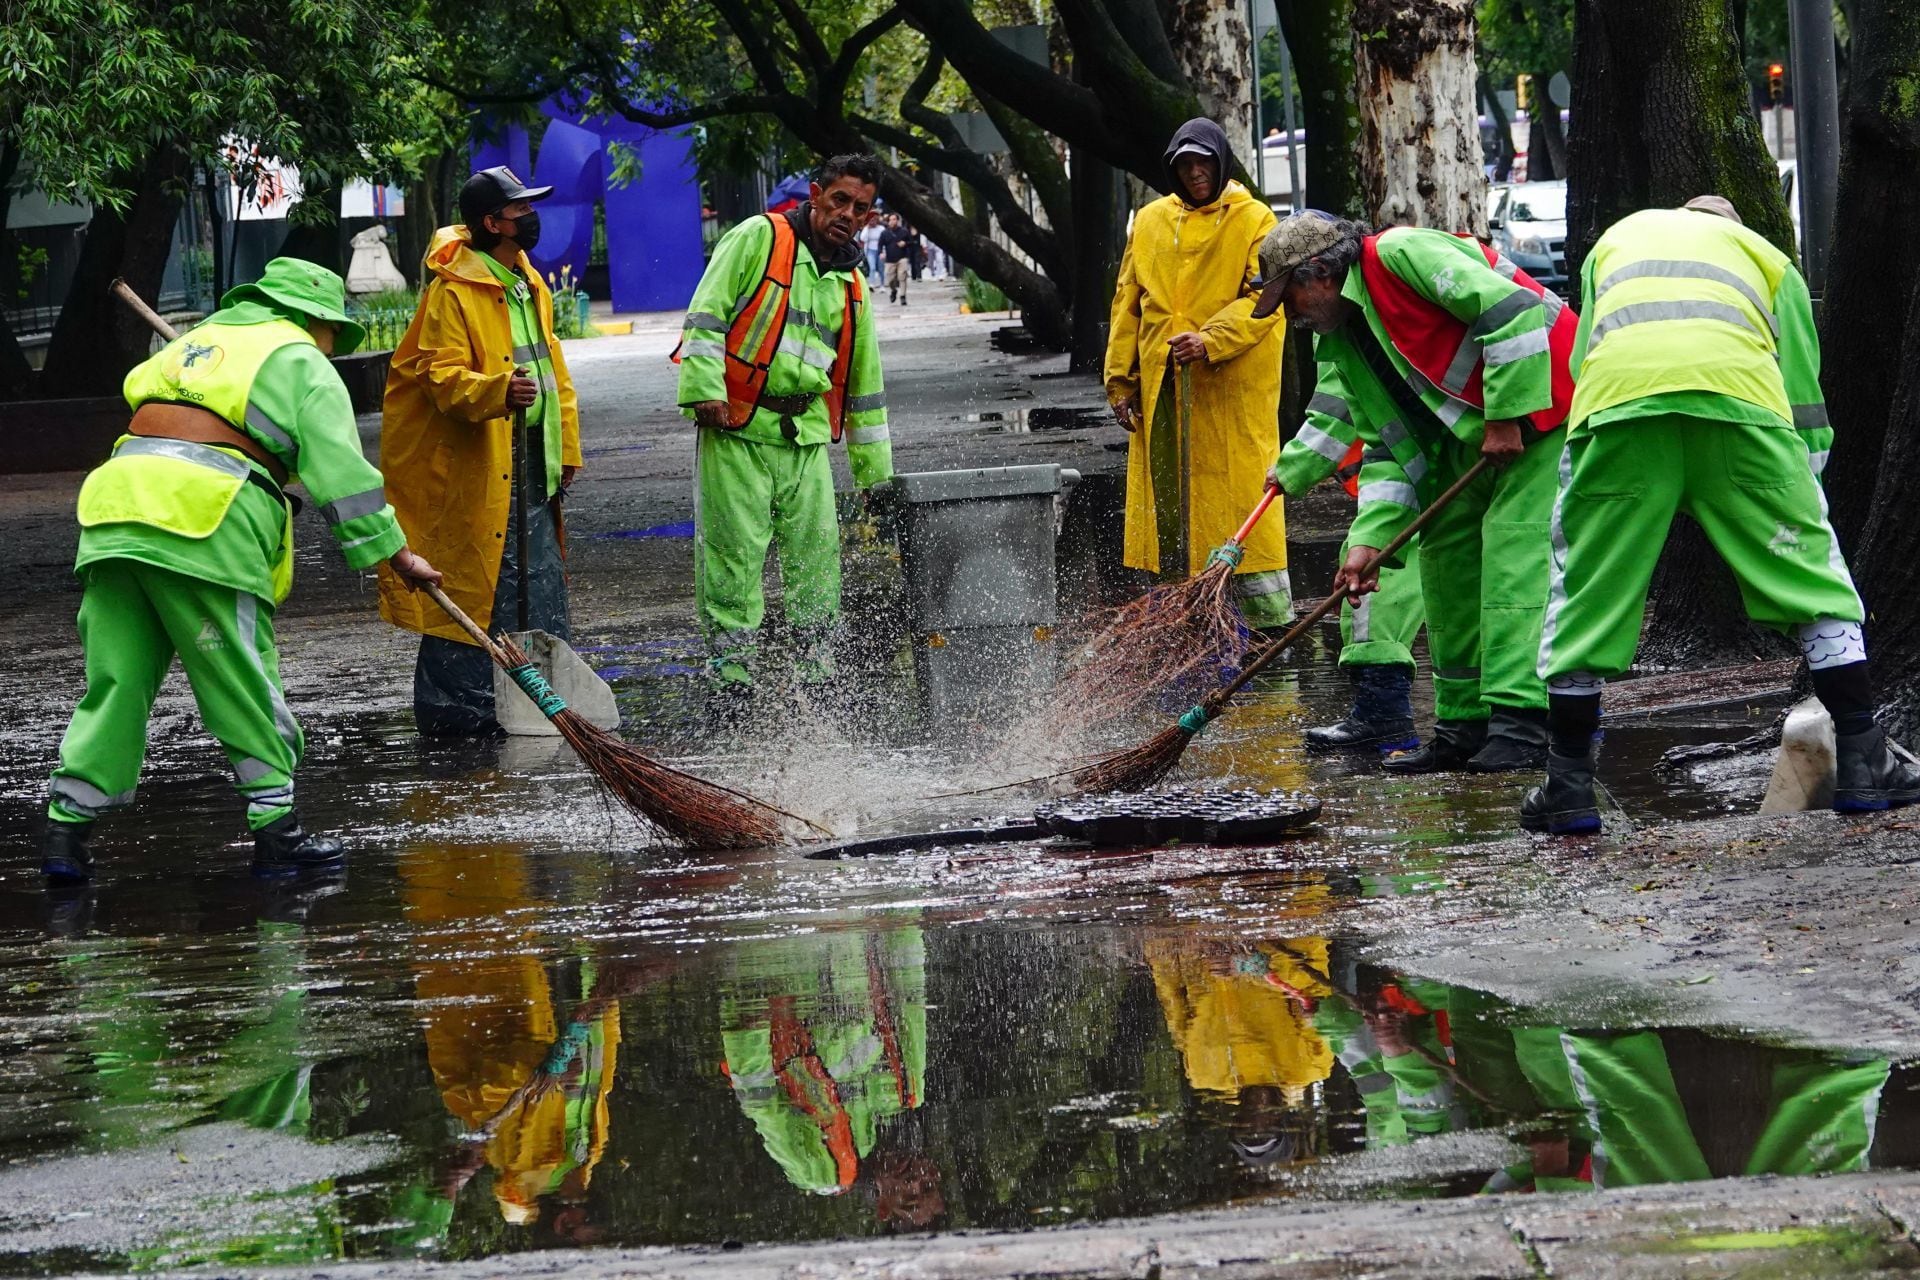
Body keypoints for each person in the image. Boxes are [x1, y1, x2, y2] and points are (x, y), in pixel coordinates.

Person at [39, 258, 443, 884]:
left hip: (115, 513)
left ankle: (65, 837)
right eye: (334, 329)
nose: (332, 342)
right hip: (204, 522)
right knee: (241, 675)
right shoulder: (301, 359)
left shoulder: (200, 341)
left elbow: (144, 396)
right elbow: (343, 478)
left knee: (115, 681)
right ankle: (277, 833)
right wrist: (395, 553)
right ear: (314, 318)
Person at [1524, 196, 1920, 832]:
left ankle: (1567, 784)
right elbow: (1802, 386)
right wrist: (1801, 493)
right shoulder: (1766, 260)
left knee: (1585, 597)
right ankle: (1867, 764)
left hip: (1623, 421)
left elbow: (1583, 356)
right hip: (1742, 414)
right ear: (1731, 231)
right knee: (1817, 587)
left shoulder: (1617, 241)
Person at [1249, 210, 1578, 772]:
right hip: (1466, 436)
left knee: (1512, 556)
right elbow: (1387, 449)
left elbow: (1513, 311)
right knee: (1445, 562)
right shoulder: (1344, 344)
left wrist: (1506, 416)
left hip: (1543, 408)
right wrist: (1371, 542)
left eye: (1289, 298)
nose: (1290, 315)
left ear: (1319, 274)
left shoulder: (1401, 255)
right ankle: (1462, 724)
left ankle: (1523, 723)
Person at [675, 153, 892, 697]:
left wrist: (875, 478)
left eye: (860, 208)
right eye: (839, 199)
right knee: (732, 557)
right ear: (815, 194)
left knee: (818, 562)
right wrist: (704, 391)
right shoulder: (759, 238)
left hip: (806, 437)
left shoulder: (851, 283)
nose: (847, 213)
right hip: (738, 428)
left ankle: (817, 677)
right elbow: (707, 313)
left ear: (869, 217)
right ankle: (733, 682)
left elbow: (864, 386)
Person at [377, 166, 582, 736]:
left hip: (528, 463)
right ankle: (458, 714)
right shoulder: (455, 290)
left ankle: (532, 702)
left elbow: (551, 367)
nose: (531, 218)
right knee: (477, 584)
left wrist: (566, 448)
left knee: (535, 584)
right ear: (492, 222)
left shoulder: (524, 280)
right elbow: (440, 376)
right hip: (482, 465)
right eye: (520, 211)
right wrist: (498, 391)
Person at [1105, 118, 1293, 629]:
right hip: (1163, 386)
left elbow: (1267, 298)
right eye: (1184, 165)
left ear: (1221, 162)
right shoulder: (1149, 221)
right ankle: (1184, 619)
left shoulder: (1254, 219)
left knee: (1234, 500)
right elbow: (1129, 302)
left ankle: (1260, 628)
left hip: (1229, 393)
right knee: (1171, 509)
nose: (1194, 174)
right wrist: (1120, 380)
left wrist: (1210, 340)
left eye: (1202, 163)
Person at [1270, 416, 1425, 754]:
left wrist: (1296, 465)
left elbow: (1337, 403)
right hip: (1426, 448)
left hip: (1414, 453)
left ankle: (1385, 713)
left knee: (1377, 572)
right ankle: (1476, 725)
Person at [881, 213, 913, 305]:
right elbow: (880, 244)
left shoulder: (904, 231)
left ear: (897, 220)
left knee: (902, 276)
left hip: (902, 257)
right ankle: (893, 290)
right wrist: (881, 252)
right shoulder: (885, 233)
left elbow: (912, 242)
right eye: (890, 220)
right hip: (890, 259)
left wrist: (905, 243)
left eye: (894, 219)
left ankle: (903, 296)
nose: (892, 221)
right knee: (890, 279)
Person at [859, 213, 885, 285]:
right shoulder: (867, 229)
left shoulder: (881, 228)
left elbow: (884, 240)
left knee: (881, 268)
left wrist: (884, 252)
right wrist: (867, 228)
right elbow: (862, 238)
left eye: (874, 220)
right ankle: (871, 284)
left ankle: (882, 284)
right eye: (871, 220)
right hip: (870, 250)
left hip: (880, 250)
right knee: (872, 267)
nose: (872, 222)